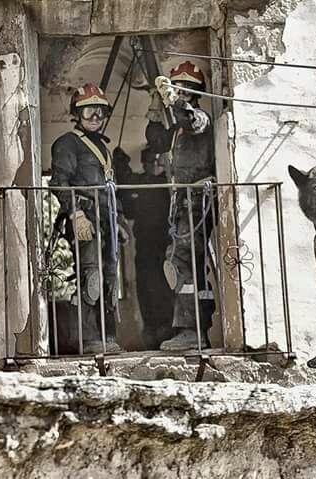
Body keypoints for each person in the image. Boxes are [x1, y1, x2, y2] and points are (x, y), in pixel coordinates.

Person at [50, 83, 126, 354]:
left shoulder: (102, 147)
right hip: (85, 218)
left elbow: (109, 190)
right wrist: (76, 214)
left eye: (99, 111)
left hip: (106, 220)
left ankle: (108, 337)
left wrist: (118, 221)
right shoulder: (67, 144)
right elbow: (59, 182)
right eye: (88, 110)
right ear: (77, 114)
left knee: (109, 278)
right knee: (90, 277)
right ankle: (90, 339)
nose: (95, 116)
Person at [147, 61, 217, 350]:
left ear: (196, 92)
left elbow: (191, 120)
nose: (182, 92)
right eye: (179, 87)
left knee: (180, 262)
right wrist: (155, 108)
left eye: (187, 88)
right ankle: (198, 329)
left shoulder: (200, 118)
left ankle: (191, 330)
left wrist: (174, 100)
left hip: (196, 202)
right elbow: (156, 141)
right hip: (184, 204)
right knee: (190, 267)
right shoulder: (178, 130)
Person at [113, 146, 175, 350]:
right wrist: (120, 163)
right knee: (146, 290)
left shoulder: (165, 182)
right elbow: (129, 207)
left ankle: (167, 330)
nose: (152, 166)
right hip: (145, 247)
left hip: (165, 245)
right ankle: (151, 332)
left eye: (155, 162)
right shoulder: (144, 183)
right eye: (148, 162)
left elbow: (130, 181)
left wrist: (121, 164)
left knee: (164, 288)